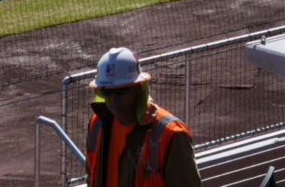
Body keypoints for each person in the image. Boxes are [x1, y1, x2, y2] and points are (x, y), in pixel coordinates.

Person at [84, 47, 201, 187]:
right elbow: (91, 175)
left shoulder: (171, 135)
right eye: (106, 92)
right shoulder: (97, 124)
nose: (113, 99)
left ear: (139, 88)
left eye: (121, 90)